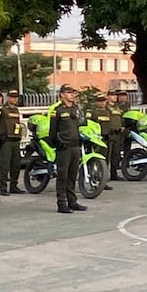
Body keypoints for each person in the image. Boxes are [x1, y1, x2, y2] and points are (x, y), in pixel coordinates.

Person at [51, 84, 86, 213]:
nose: (72, 95)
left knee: (72, 175)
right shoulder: (58, 110)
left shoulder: (76, 109)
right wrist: (57, 143)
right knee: (63, 176)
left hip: (75, 146)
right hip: (64, 147)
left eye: (73, 92)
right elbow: (52, 131)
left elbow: (80, 125)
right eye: (69, 92)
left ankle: (72, 201)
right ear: (62, 95)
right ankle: (61, 202)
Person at [0, 90, 25, 195]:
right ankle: (3, 188)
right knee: (4, 165)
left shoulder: (16, 109)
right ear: (8, 97)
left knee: (16, 165)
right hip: (6, 140)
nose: (15, 99)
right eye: (12, 97)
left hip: (15, 139)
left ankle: (14, 186)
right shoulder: (2, 109)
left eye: (16, 97)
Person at [91, 95, 115, 191]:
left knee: (106, 161)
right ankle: (94, 181)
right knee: (96, 160)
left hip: (107, 138)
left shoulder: (108, 112)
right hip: (97, 139)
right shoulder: (93, 113)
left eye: (104, 101)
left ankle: (103, 181)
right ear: (96, 102)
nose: (102, 103)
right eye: (100, 101)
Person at [106, 90, 126, 180]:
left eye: (115, 95)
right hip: (109, 134)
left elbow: (120, 118)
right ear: (108, 96)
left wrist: (122, 126)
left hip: (118, 134)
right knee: (107, 156)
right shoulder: (106, 107)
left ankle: (114, 174)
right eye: (112, 95)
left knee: (116, 155)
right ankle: (104, 175)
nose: (115, 97)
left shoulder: (118, 107)